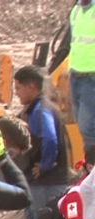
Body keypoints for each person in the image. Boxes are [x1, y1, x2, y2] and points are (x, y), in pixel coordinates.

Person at [15, 65, 71, 219]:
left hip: (47, 184)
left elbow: (50, 139)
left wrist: (45, 166)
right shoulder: (39, 109)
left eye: (19, 88)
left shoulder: (41, 110)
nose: (17, 94)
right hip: (42, 183)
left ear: (31, 87)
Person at [69, 0, 95, 156]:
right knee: (83, 127)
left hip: (91, 77)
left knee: (88, 127)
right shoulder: (75, 11)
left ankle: (92, 166)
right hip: (75, 76)